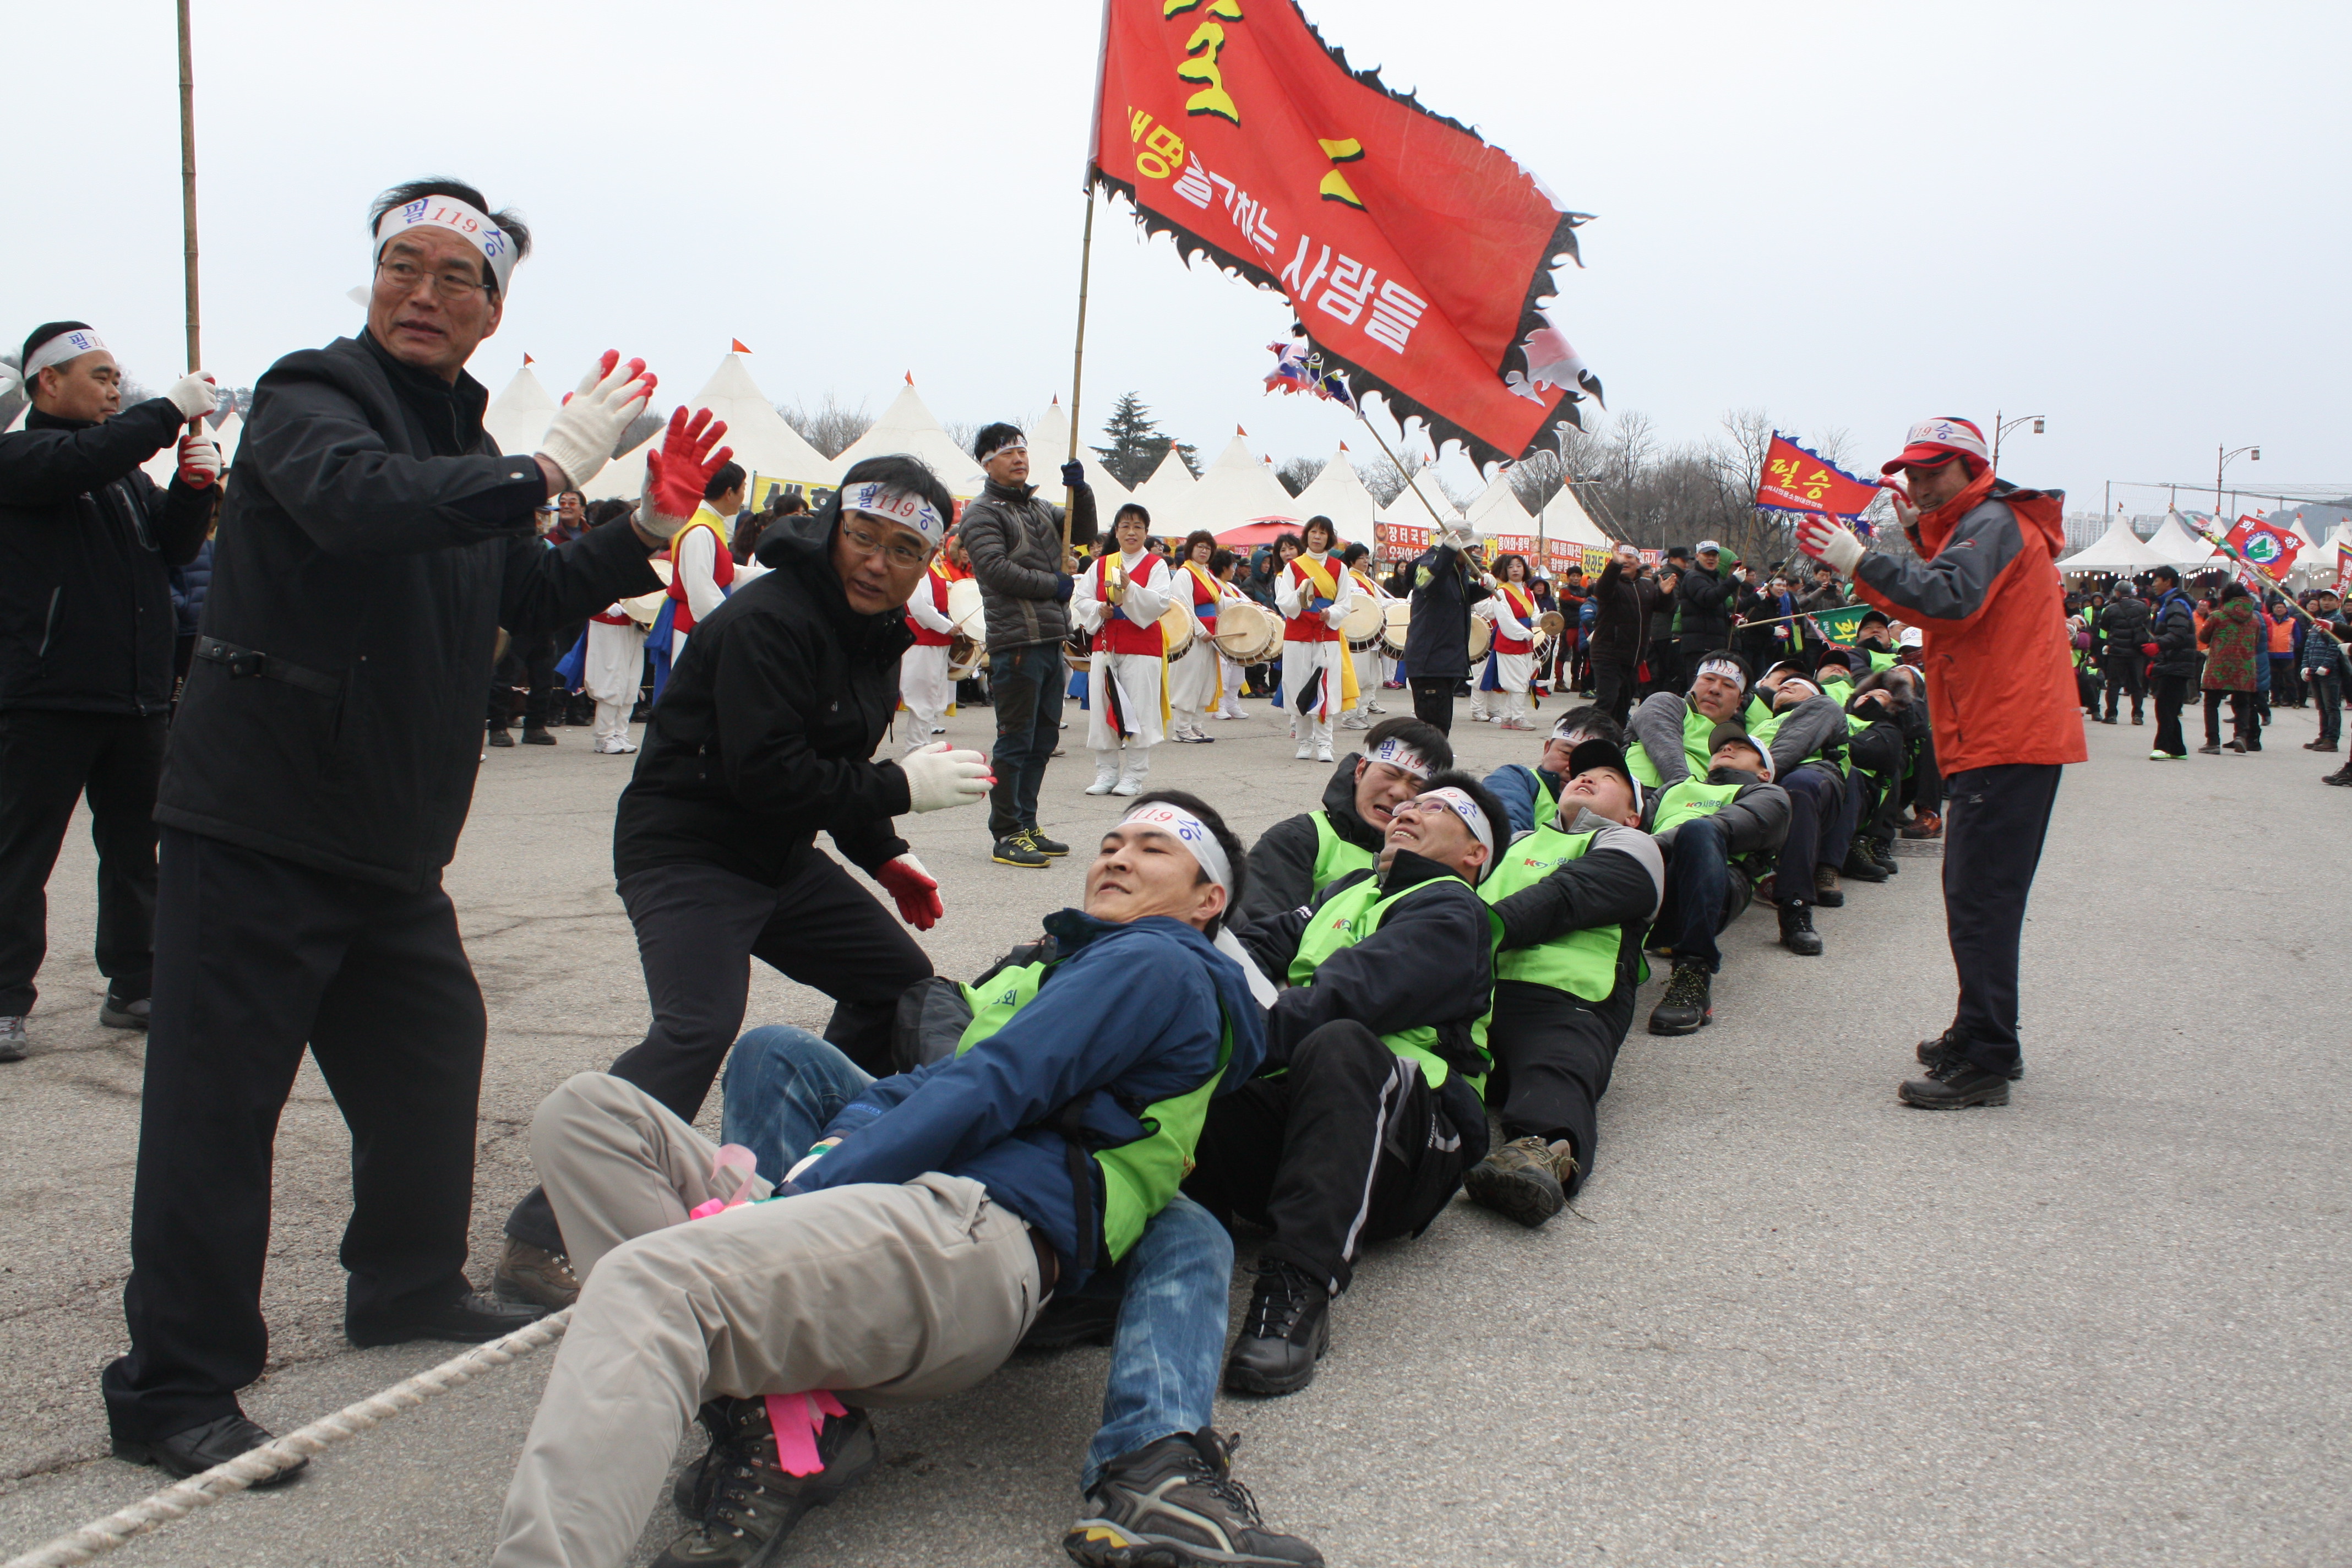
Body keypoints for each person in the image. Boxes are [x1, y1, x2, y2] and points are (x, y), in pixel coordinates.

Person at [104, 178, 682, 1479]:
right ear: (372, 281)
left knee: (432, 1049)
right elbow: (361, 504)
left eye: (455, 276)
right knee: (215, 1109)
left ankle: (405, 1282)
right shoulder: (314, 394)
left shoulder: (458, 437)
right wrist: (544, 468)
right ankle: (171, 1386)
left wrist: (642, 526)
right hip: (259, 818)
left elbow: (524, 587)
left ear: (493, 311)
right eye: (401, 266)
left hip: (387, 840)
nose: (422, 293)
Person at [487, 796, 1324, 1568]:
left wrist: (809, 1189)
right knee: (586, 1111)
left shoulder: (1156, 960)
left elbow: (997, 1082)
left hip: (975, 1224)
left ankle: (1153, 1466)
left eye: (1153, 849)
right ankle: (767, 1399)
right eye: (1110, 842)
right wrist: (834, 1152)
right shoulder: (1061, 962)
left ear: (1208, 900)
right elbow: (937, 1077)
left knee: (650, 1281)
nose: (1117, 856)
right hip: (906, 1204)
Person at [496, 456, 998, 1309]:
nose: (876, 562)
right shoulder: (771, 618)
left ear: (929, 561)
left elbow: (834, 760)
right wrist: (899, 790)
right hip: (687, 846)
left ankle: (815, 1161)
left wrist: (883, 851)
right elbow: (770, 774)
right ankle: (541, 1236)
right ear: (835, 528)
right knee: (697, 1025)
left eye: (904, 550)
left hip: (774, 855)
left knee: (901, 985)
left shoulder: (874, 631)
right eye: (863, 537)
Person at [1795, 416, 2084, 1108]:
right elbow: (1961, 585)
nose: (1919, 486)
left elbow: (1951, 598)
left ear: (1971, 468)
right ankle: (1984, 1031)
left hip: (2005, 734)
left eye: (1933, 472)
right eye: (1913, 474)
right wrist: (1925, 537)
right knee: (1981, 895)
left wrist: (1860, 561)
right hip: (2003, 731)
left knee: (1980, 898)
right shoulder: (1989, 520)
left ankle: (1987, 1054)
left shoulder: (1992, 521)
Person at [1199, 776, 1507, 1396]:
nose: (1408, 809)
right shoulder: (1348, 890)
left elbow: (1345, 999)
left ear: (1476, 854)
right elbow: (1256, 945)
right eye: (1408, 803)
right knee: (1176, 1066)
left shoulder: (1454, 911)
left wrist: (1214, 1035)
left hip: (1408, 1148)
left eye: (1436, 807)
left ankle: (1299, 1286)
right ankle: (1156, 1257)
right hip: (1301, 1125)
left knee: (1339, 1039)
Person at [0, 324, 219, 1060]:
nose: (114, 389)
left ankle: (136, 980)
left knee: (135, 852)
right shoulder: (21, 458)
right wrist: (166, 414)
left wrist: (192, 489)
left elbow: (175, 548)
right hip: (47, 695)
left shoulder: (125, 477)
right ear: (48, 382)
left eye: (118, 377)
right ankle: (3, 997)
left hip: (134, 697)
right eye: (99, 376)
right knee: (18, 856)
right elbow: (77, 462)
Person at [1461, 739, 1664, 1226]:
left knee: (1557, 1068)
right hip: (1474, 991)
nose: (1588, 777)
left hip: (1564, 1000)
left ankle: (1541, 1150)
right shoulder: (1515, 841)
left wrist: (1469, 932)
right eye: (1582, 773)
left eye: (1610, 779)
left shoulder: (1632, 844)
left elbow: (1571, 894)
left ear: (1633, 815)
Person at [961, 423, 1097, 869]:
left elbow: (1083, 531)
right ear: (987, 463)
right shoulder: (981, 513)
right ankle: (1007, 832)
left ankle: (1027, 822)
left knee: (1043, 740)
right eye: (1008, 452)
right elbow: (996, 570)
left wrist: (1082, 492)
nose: (1019, 458)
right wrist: (1053, 584)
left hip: (1050, 638)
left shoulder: (1039, 508)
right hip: (1016, 640)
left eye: (1022, 450)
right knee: (1015, 740)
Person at [1233, 717, 1452, 929]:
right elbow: (1260, 935)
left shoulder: (1436, 860)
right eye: (1390, 774)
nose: (1399, 793)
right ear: (1360, 770)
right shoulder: (1297, 840)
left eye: (1417, 786)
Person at [1642, 726, 1791, 1036]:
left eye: (1741, 747)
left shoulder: (1769, 794)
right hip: (1650, 876)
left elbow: (1727, 827)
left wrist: (1643, 850)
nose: (1727, 748)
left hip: (1714, 886)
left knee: (1700, 831)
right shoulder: (1674, 789)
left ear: (1764, 773)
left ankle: (1693, 972)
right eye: (1722, 747)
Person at [1072, 502, 1172, 794]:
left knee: (1139, 708)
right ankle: (1106, 772)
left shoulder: (1156, 565)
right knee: (1103, 706)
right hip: (1106, 642)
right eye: (1125, 526)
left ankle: (1135, 775)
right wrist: (1098, 609)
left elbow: (1160, 603)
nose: (1131, 532)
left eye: (1138, 527)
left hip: (1141, 644)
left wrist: (1131, 588)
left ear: (1146, 533)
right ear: (1116, 532)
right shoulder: (1101, 564)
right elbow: (1082, 599)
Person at [1275, 515, 1358, 761]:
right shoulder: (1293, 567)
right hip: (1298, 632)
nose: (1317, 537)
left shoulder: (1340, 568)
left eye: (1323, 533)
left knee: (1325, 687)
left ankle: (1324, 743)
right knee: (1299, 685)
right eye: (1313, 532)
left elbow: (1345, 603)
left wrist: (1331, 613)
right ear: (1307, 535)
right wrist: (1302, 595)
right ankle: (1304, 741)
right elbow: (1283, 601)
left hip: (1326, 632)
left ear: (1329, 537)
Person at [1401, 514, 1489, 732]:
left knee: (1440, 727)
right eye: (1469, 548)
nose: (1473, 552)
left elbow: (1460, 597)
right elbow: (1427, 584)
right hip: (1430, 662)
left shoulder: (1457, 570)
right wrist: (1447, 553)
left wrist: (1483, 588)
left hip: (1445, 662)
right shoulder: (1430, 563)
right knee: (1433, 730)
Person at [1484, 703, 1622, 837]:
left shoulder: (1616, 803)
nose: (1571, 768)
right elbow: (1503, 833)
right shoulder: (1515, 780)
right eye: (1566, 753)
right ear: (1547, 749)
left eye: (1590, 763)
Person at [899, 527, 961, 750]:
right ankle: (916, 747)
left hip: (935, 637)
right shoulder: (920, 566)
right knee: (921, 694)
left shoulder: (934, 565)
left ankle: (923, 745)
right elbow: (919, 607)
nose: (942, 538)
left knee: (933, 693)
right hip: (922, 638)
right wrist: (948, 626)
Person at [1167, 530, 1227, 742]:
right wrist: (1201, 632)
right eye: (1200, 546)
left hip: (1210, 635)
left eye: (1208, 548)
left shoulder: (1207, 574)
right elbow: (1183, 607)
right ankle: (1182, 728)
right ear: (1191, 549)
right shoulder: (1184, 574)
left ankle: (1196, 725)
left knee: (1205, 680)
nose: (1204, 551)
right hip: (1192, 636)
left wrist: (1244, 606)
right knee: (1189, 680)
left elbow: (1220, 602)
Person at [1474, 553, 1541, 729]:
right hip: (1510, 641)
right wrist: (1525, 633)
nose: (1515, 569)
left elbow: (1534, 616)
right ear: (1505, 570)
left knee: (1523, 680)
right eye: (1511, 566)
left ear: (1524, 569)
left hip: (1525, 641)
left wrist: (1545, 620)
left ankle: (1508, 717)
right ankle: (1518, 718)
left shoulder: (1529, 593)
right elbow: (1505, 620)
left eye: (1519, 566)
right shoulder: (1502, 592)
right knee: (1517, 682)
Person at [2197, 581, 2261, 755]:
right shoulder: (2255, 618)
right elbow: (2256, 641)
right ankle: (2241, 736)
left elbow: (2203, 637)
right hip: (2245, 666)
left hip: (2220, 665)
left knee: (2211, 703)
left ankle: (2213, 741)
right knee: (2242, 703)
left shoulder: (2218, 616)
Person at [1583, 543, 1645, 724]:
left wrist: (1665, 595)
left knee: (1623, 706)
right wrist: (1614, 565)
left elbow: (1664, 607)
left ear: (1638, 562)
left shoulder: (1645, 587)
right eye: (1621, 557)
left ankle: (1617, 738)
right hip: (1608, 654)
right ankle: (1589, 734)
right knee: (1607, 702)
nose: (1625, 561)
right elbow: (1602, 590)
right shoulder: (1612, 584)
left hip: (1632, 657)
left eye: (1630, 557)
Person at [2147, 564, 2198, 760]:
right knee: (2169, 706)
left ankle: (2163, 746)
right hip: (2173, 661)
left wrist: (2157, 646)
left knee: (2165, 706)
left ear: (2168, 582)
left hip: (2178, 662)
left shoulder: (2176, 604)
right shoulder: (2169, 604)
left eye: (2156, 580)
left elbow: (2178, 633)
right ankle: (2178, 748)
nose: (2153, 585)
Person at [1338, 542, 1388, 729]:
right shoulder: (1350, 579)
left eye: (1367, 558)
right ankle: (1349, 716)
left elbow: (1380, 603)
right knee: (1358, 677)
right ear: (1352, 561)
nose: (1366, 561)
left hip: (1371, 635)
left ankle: (1362, 713)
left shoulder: (1367, 579)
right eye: (1361, 558)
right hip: (1357, 635)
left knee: (1371, 678)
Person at [2093, 580, 2151, 725]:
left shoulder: (2111, 609)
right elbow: (2147, 624)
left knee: (2114, 684)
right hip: (2137, 652)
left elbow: (2104, 626)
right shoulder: (2142, 607)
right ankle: (2137, 715)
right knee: (2137, 684)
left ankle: (2111, 715)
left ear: (2117, 592)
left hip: (2117, 651)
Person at [1675, 539, 1738, 668]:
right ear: (1697, 556)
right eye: (1707, 555)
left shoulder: (1716, 581)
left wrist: (1730, 618)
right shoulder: (1694, 577)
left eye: (1714, 555)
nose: (1711, 558)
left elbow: (1714, 610)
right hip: (1699, 646)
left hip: (1714, 645)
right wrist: (1734, 581)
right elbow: (1708, 600)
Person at [2302, 588, 2344, 754]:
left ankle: (2331, 740)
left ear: (2338, 602)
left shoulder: (2337, 620)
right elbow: (2309, 645)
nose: (2326, 603)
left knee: (2331, 706)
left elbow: (2336, 645)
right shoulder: (2317, 620)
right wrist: (2305, 665)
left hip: (2330, 671)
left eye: (2330, 599)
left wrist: (2327, 665)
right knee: (2321, 706)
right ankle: (2323, 736)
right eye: (2324, 599)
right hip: (2314, 669)